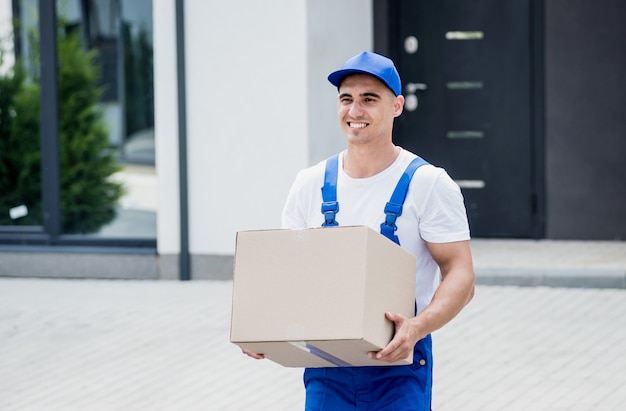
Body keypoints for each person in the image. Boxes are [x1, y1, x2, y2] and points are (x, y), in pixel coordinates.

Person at [243, 50, 475, 410]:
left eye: (369, 99)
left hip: (399, 369)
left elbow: (461, 274)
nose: (355, 111)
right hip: (326, 369)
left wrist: (418, 326)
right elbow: (289, 275)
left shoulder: (428, 184)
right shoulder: (310, 185)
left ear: (397, 105)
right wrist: (261, 327)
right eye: (346, 99)